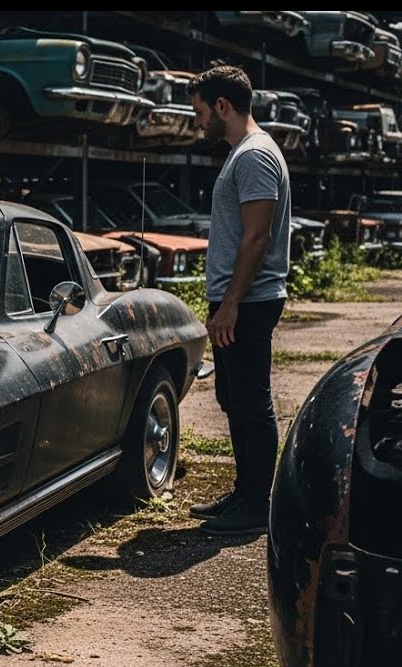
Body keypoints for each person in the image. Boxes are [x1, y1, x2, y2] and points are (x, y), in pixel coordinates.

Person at [184, 65, 290, 536]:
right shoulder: (243, 154)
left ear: (222, 107)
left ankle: (255, 506)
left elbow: (257, 237)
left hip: (247, 301)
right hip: (237, 299)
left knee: (251, 401)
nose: (197, 121)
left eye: (200, 111)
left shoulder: (254, 156)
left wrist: (230, 304)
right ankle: (243, 492)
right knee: (233, 397)